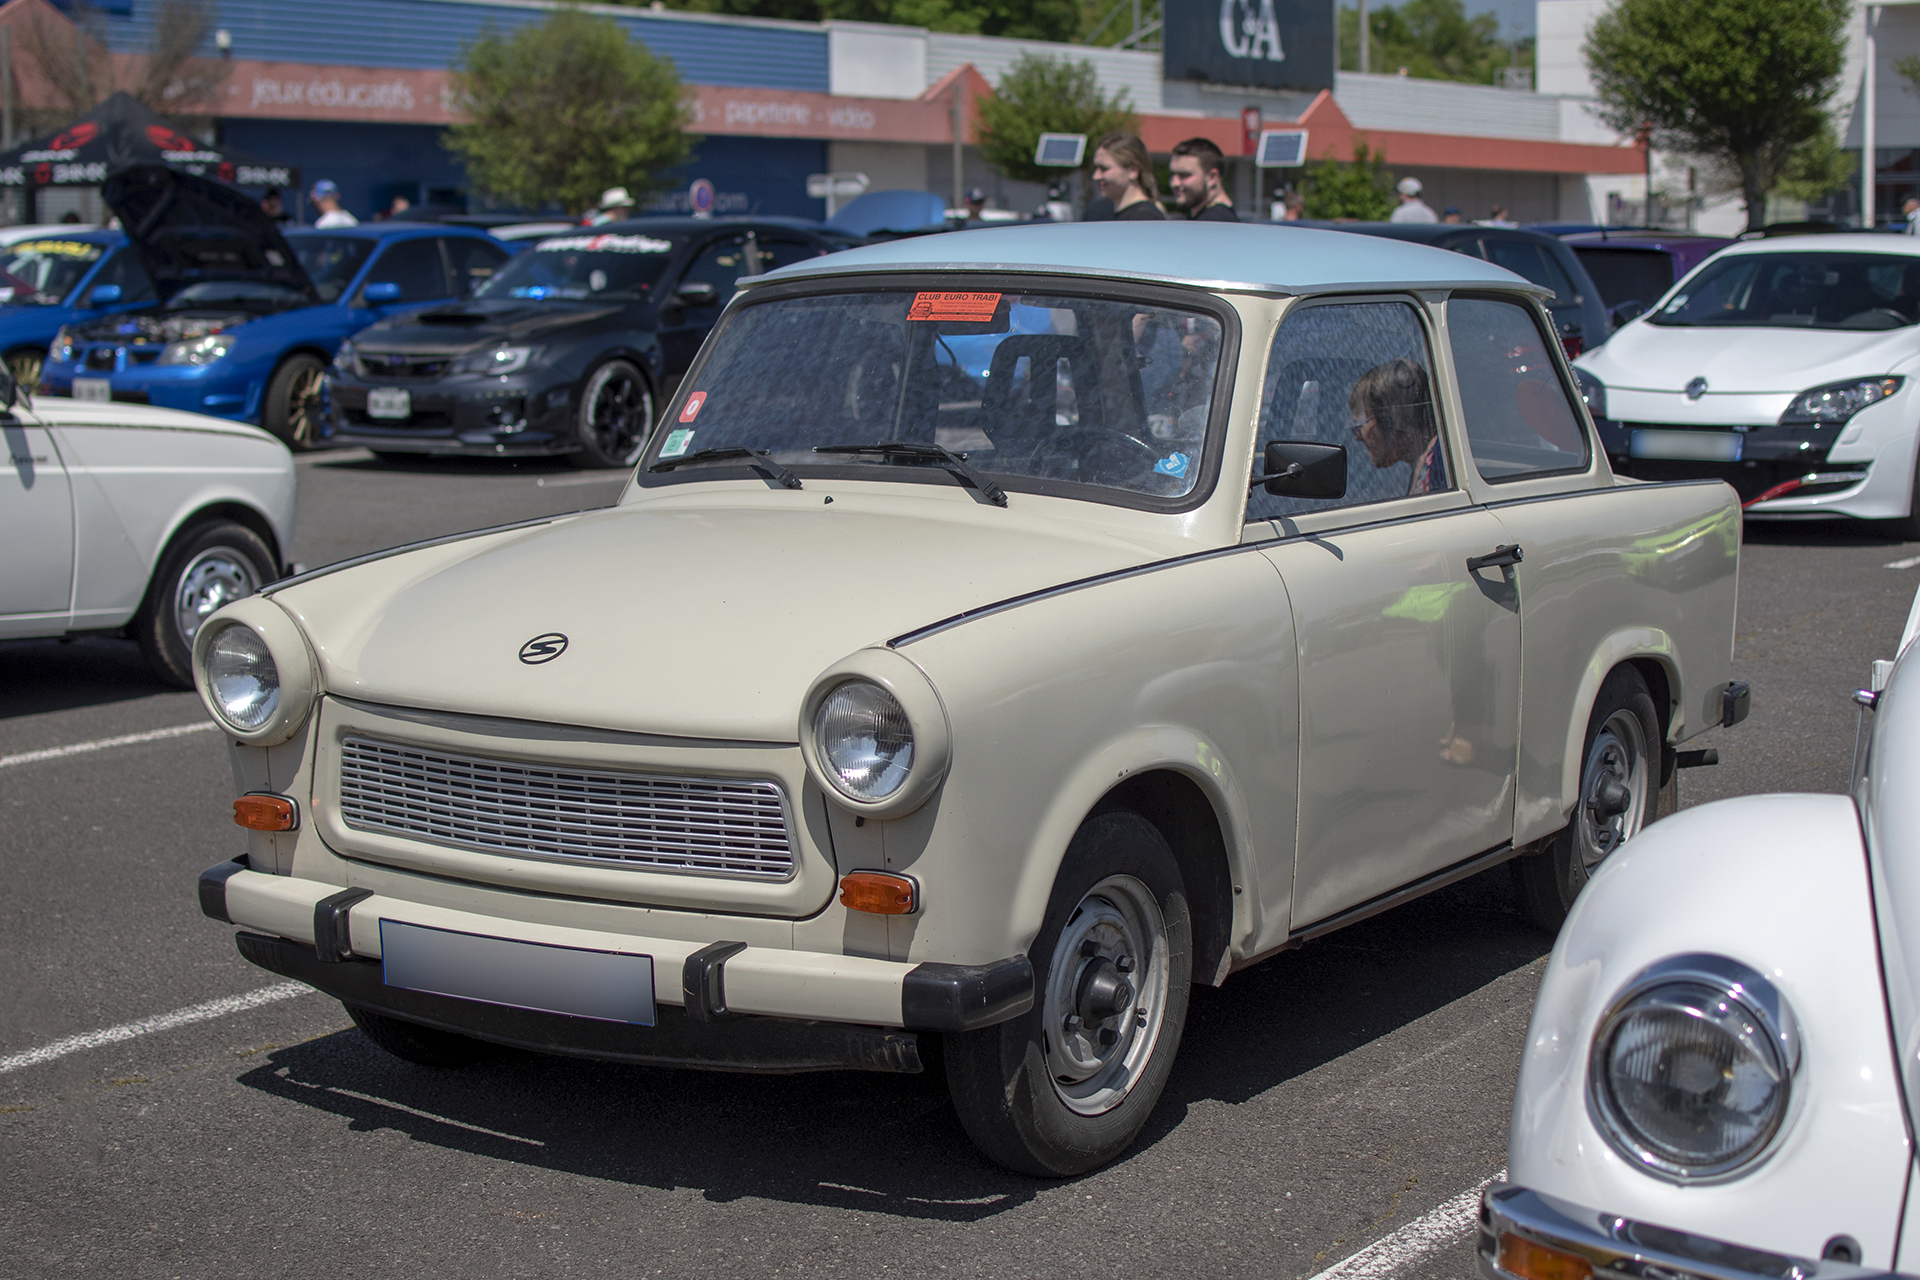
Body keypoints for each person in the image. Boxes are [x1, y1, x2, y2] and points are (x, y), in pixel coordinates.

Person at [1349, 358, 1445, 495]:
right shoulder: (1428, 463)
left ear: (1390, 420)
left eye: (1360, 425)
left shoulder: (1440, 465)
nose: (1357, 436)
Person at [1090, 133, 1164, 221]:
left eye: (1104, 168)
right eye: (1096, 168)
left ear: (1133, 171)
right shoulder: (1101, 211)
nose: (1096, 176)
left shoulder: (1144, 218)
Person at [1168, 137, 1238, 222]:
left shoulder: (1214, 222)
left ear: (1212, 177)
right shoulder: (1205, 220)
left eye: (1185, 175)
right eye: (1172, 174)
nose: (1174, 183)